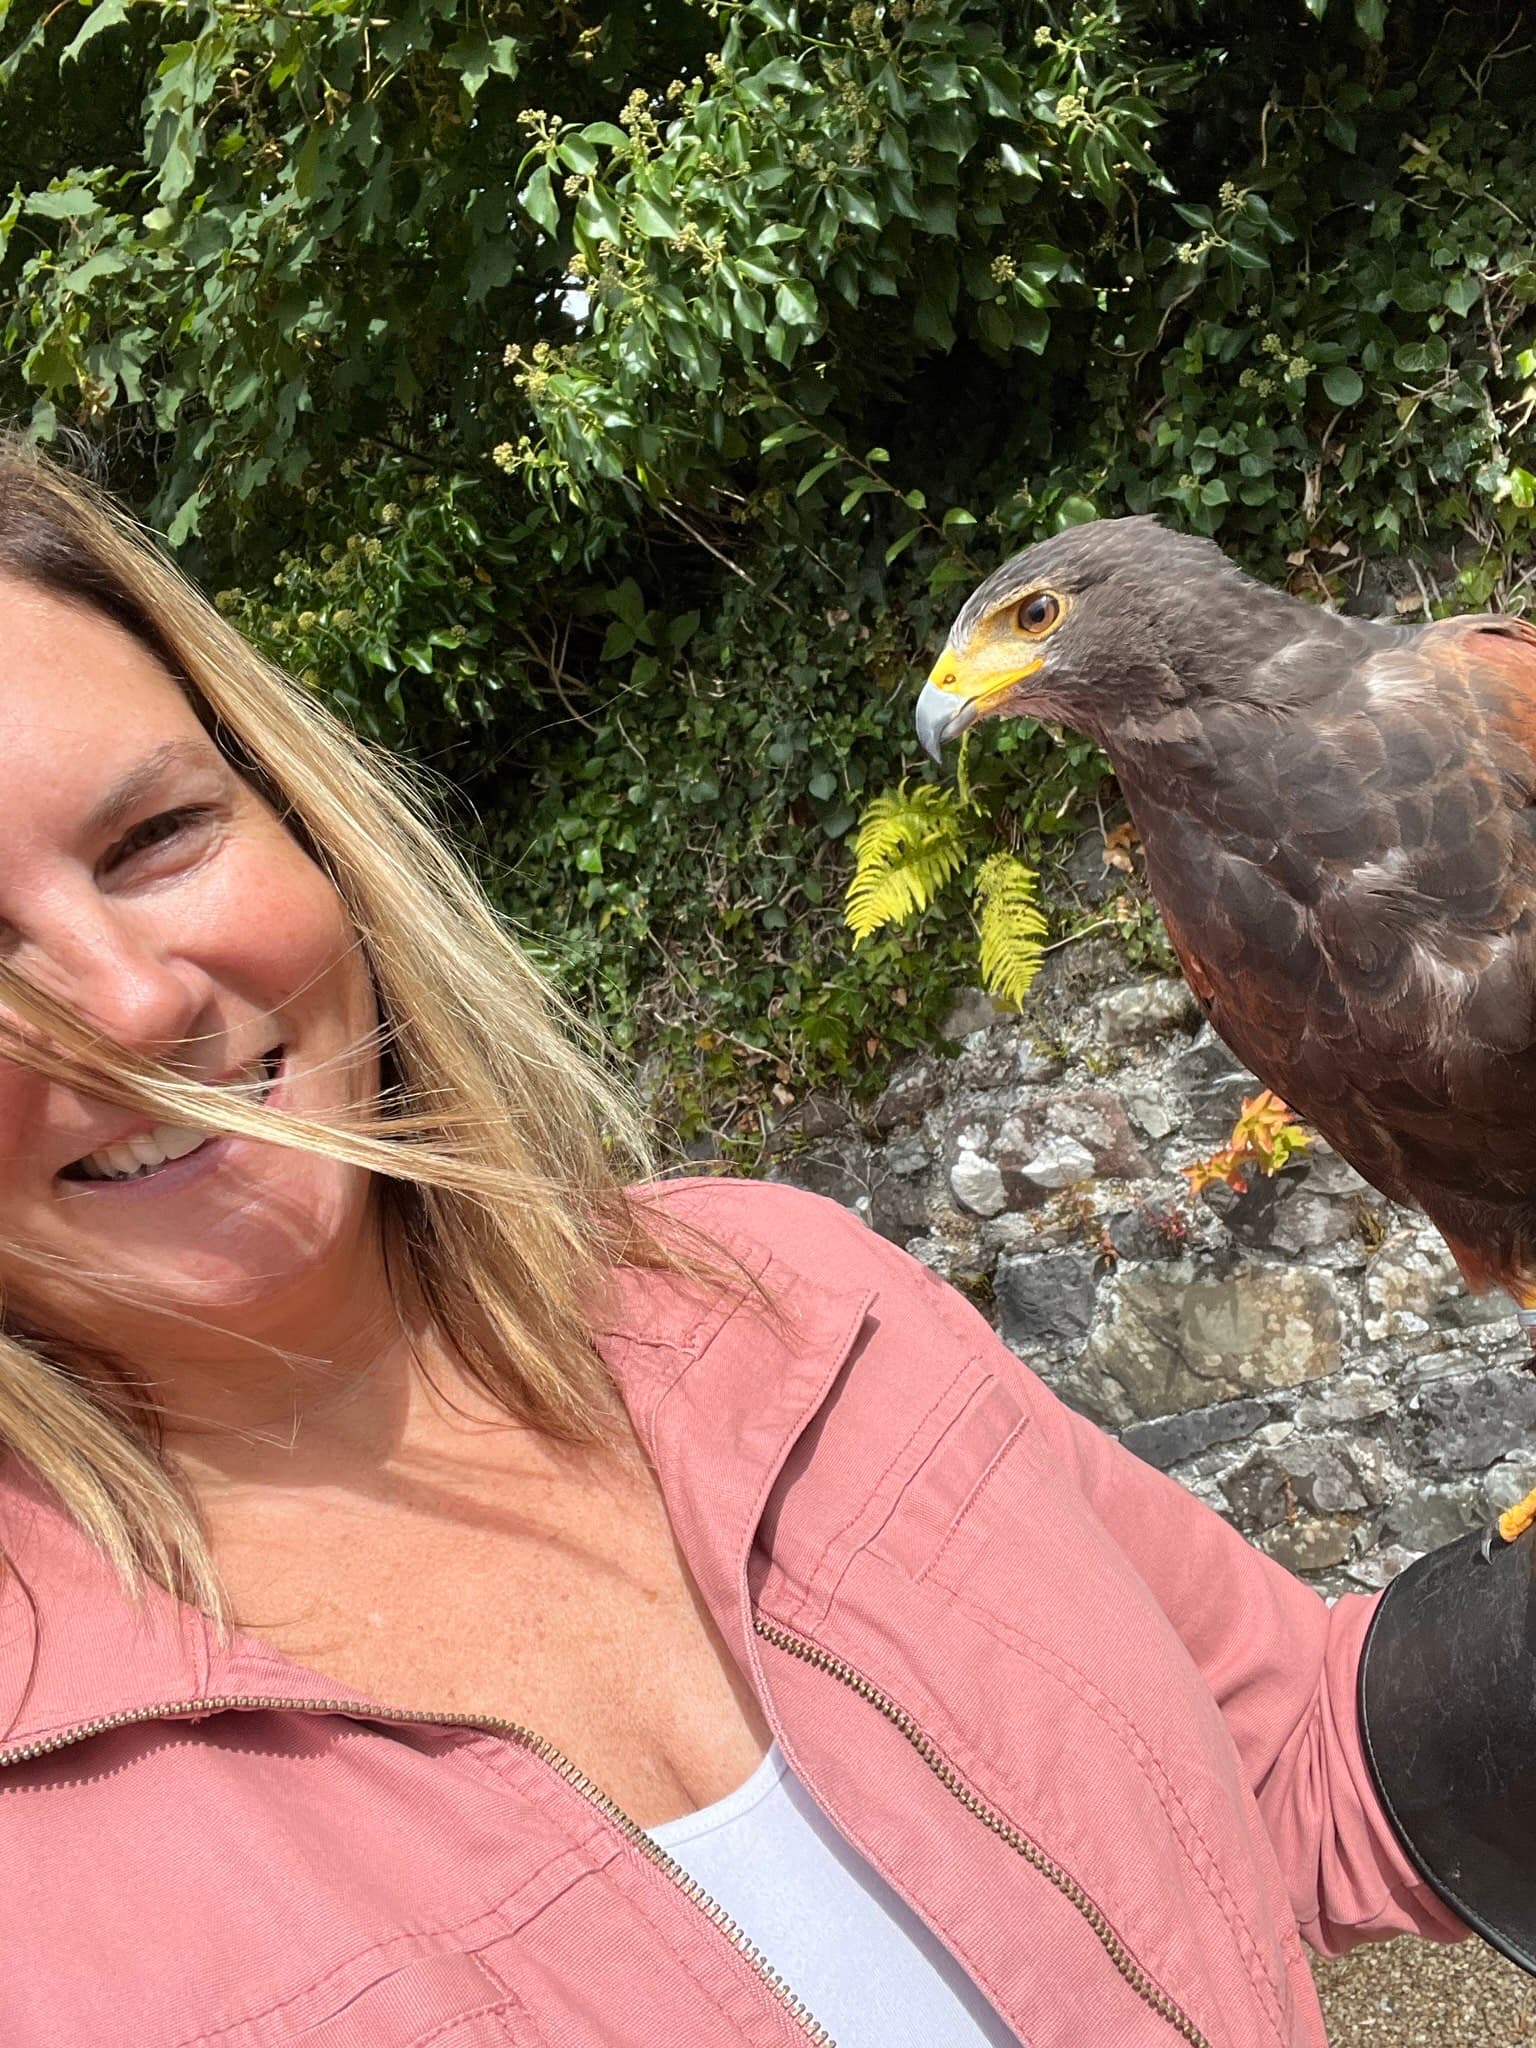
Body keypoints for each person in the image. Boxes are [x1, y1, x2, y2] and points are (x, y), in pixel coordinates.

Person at [0, 440, 1496, 2048]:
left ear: (307, 826)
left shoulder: (791, 1300)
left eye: (155, 835)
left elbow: (1299, 1765)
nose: (135, 1005)